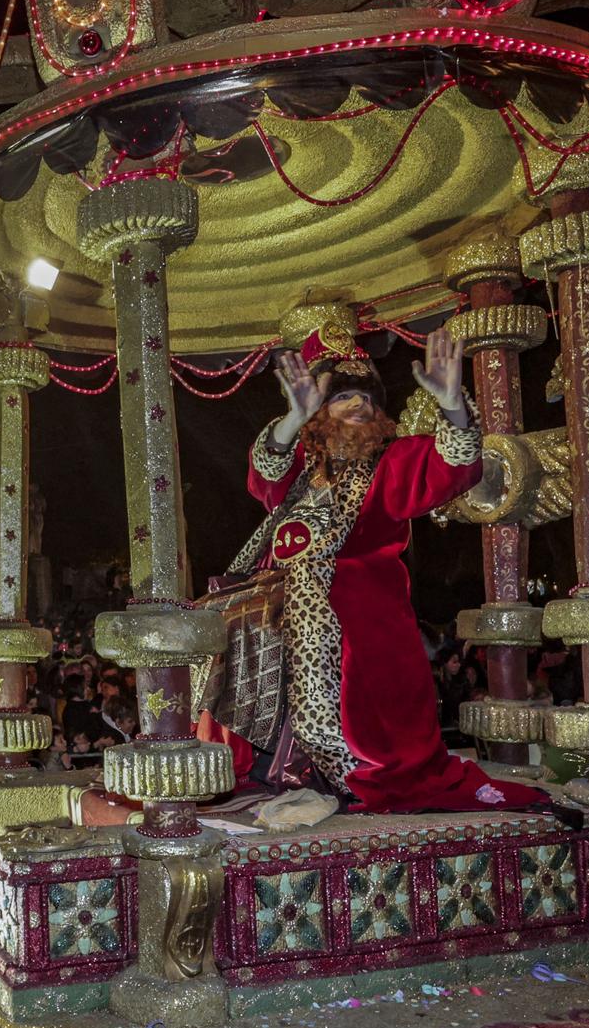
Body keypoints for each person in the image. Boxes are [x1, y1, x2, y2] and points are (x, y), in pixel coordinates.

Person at [225, 311, 547, 812]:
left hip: (360, 617)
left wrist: (452, 407)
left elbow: (453, 467)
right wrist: (291, 419)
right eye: (343, 396)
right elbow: (263, 480)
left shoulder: (391, 461)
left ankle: (348, 777)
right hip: (278, 608)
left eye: (367, 397)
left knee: (357, 719)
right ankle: (271, 770)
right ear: (317, 411)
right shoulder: (303, 468)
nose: (359, 405)